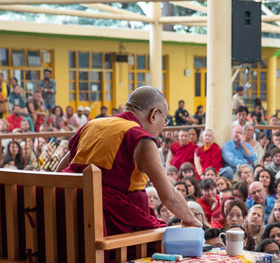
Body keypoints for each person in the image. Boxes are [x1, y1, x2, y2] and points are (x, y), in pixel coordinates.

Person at [56, 86, 201, 236]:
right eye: (164, 122)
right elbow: (168, 194)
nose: (162, 129)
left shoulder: (92, 125)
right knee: (160, 240)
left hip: (65, 220)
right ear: (154, 115)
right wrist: (193, 220)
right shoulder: (141, 139)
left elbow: (59, 172)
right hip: (109, 229)